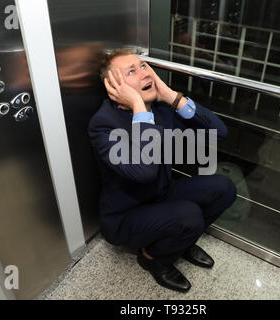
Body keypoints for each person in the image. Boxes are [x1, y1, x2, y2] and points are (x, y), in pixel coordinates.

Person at [89, 48, 237, 292]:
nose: (144, 72)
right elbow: (144, 170)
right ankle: (153, 259)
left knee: (224, 189)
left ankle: (181, 241)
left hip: (161, 193)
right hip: (127, 215)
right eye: (132, 71)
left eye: (143, 66)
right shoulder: (103, 124)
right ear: (115, 87)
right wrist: (137, 104)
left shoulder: (160, 108)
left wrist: (170, 96)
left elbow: (218, 133)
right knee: (189, 215)